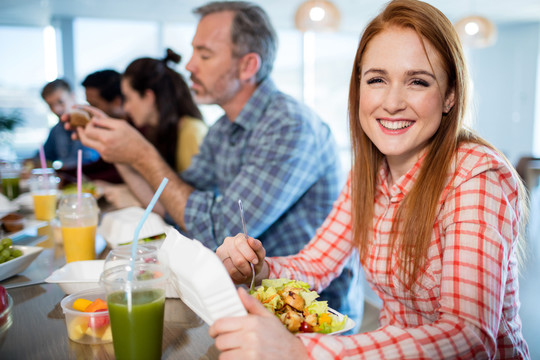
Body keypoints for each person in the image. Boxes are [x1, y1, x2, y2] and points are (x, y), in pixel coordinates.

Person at [211, 0, 530, 358]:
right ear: (359, 87)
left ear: (450, 96)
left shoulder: (476, 176)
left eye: (418, 81)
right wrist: (259, 267)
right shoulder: (369, 173)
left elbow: (468, 335)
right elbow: (316, 264)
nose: (392, 102)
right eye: (377, 79)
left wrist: (303, 352)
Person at [67, 1, 362, 327]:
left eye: (204, 55)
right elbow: (172, 202)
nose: (190, 65)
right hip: (246, 296)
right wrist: (117, 153)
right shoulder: (223, 129)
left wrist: (141, 153)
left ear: (248, 66)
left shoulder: (289, 125)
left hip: (307, 314)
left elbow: (219, 228)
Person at [39, 78, 99, 169]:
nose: (56, 109)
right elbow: (44, 157)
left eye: (60, 102)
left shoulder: (93, 122)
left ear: (72, 96)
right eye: (51, 105)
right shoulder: (56, 130)